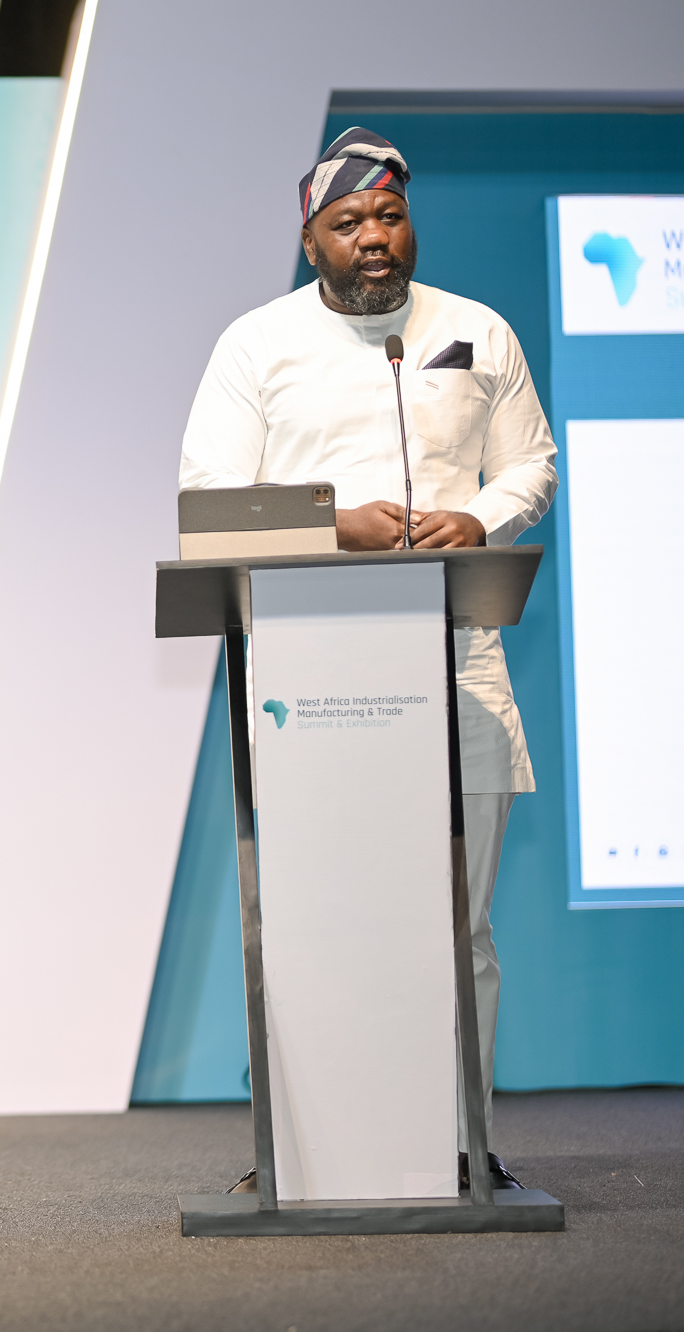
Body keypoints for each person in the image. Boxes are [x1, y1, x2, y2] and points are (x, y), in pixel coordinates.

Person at [179, 127, 558, 1193]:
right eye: (347, 223)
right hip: (313, 675)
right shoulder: (255, 345)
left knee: (457, 927)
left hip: (456, 665)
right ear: (311, 242)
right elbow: (209, 504)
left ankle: (460, 1142)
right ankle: (302, 1155)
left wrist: (478, 518)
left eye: (388, 216)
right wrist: (332, 523)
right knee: (311, 924)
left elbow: (531, 463)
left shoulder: (475, 331)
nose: (373, 237)